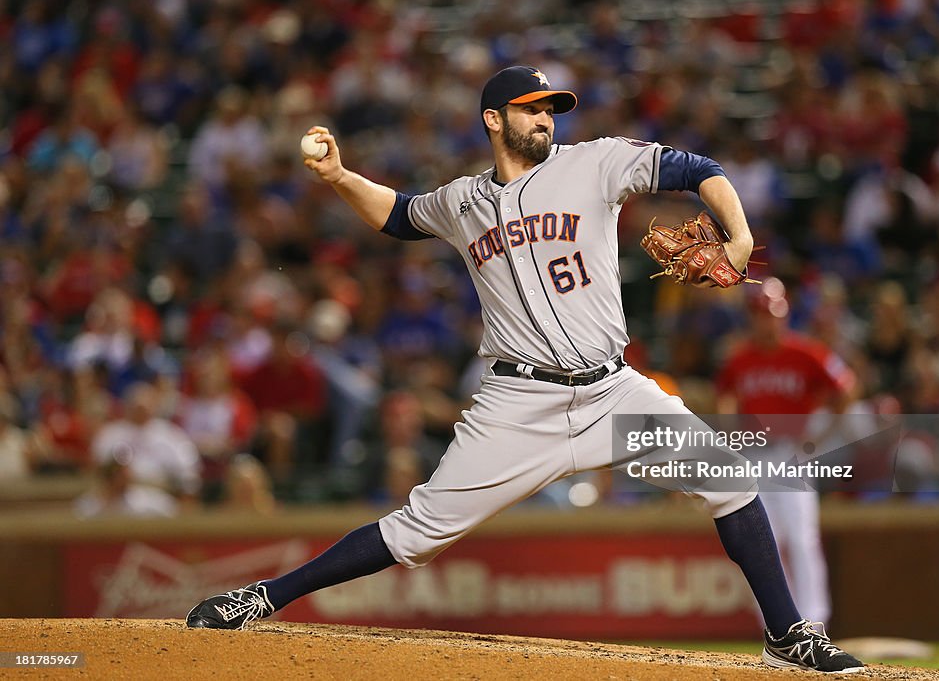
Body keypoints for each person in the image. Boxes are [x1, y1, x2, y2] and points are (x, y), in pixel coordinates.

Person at [185, 66, 864, 673]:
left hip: (611, 390)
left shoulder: (595, 162)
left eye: (551, 109)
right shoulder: (461, 201)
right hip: (516, 402)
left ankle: (787, 633)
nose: (546, 118)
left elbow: (697, 168)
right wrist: (338, 178)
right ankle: (263, 596)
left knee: (729, 479)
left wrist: (739, 237)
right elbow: (396, 215)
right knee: (416, 532)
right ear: (494, 118)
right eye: (532, 107)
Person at [716, 277, 858, 627]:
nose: (769, 321)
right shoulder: (740, 358)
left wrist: (821, 435)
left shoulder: (805, 352)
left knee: (801, 538)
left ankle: (815, 621)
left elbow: (847, 388)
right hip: (754, 456)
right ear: (753, 316)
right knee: (761, 541)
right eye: (763, 314)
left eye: (774, 314)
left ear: (785, 315)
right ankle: (776, 624)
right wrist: (730, 437)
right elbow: (724, 399)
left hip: (790, 456)